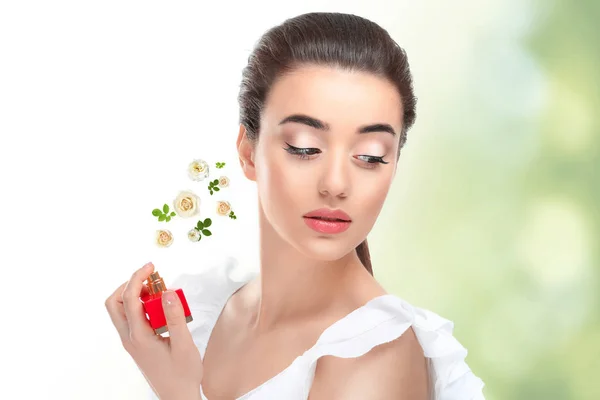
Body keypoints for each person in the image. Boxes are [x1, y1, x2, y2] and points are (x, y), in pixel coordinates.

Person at [105, 11, 485, 400]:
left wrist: (177, 392)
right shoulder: (211, 309)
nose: (336, 185)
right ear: (248, 152)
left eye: (371, 156)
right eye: (305, 148)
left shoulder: (374, 352)